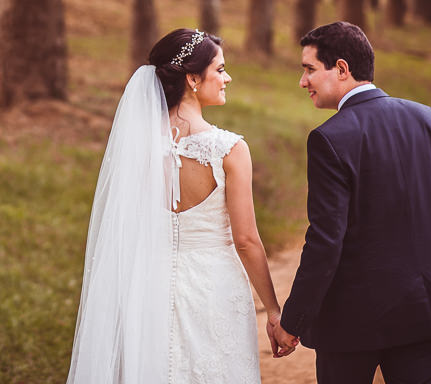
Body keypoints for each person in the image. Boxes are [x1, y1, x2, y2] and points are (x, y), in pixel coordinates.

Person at [66, 28, 287, 383]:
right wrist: (274, 311)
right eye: (220, 69)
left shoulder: (136, 147)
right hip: (213, 287)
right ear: (192, 79)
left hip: (147, 285)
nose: (227, 78)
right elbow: (246, 241)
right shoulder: (229, 150)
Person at [270, 21, 431, 383]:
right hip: (425, 313)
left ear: (342, 69)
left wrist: (293, 321)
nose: (303, 81)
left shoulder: (329, 138)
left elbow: (326, 241)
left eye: (309, 69)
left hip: (351, 324)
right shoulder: (425, 118)